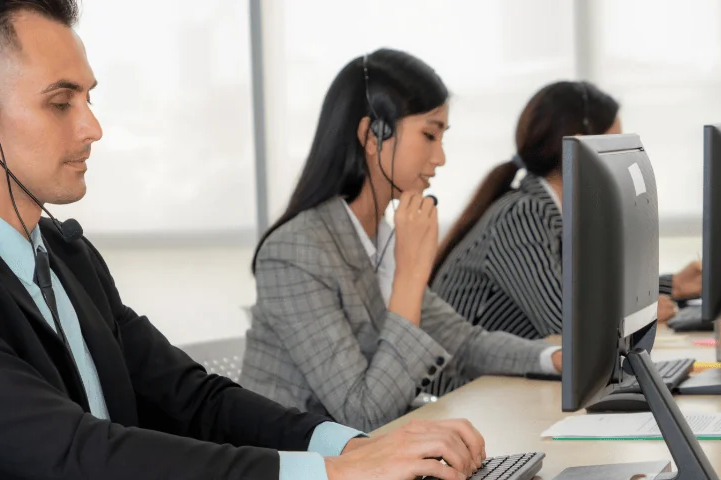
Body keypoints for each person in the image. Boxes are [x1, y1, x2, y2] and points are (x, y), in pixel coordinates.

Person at [0, 3, 491, 480]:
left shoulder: (65, 256)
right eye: (61, 102)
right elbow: (75, 453)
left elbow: (192, 401)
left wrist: (348, 448)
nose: (93, 127)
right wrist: (328, 478)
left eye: (89, 98)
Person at [240, 49, 562, 433]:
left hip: (372, 463)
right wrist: (410, 273)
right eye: (429, 135)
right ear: (371, 135)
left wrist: (556, 359)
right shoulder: (296, 252)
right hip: (305, 476)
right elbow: (363, 416)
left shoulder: (379, 239)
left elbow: (466, 343)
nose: (440, 157)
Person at [430, 81, 702, 341]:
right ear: (581, 147)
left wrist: (673, 286)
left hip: (501, 382)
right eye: (614, 147)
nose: (623, 162)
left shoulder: (562, 214)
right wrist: (635, 313)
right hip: (468, 387)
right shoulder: (523, 214)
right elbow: (564, 320)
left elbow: (591, 298)